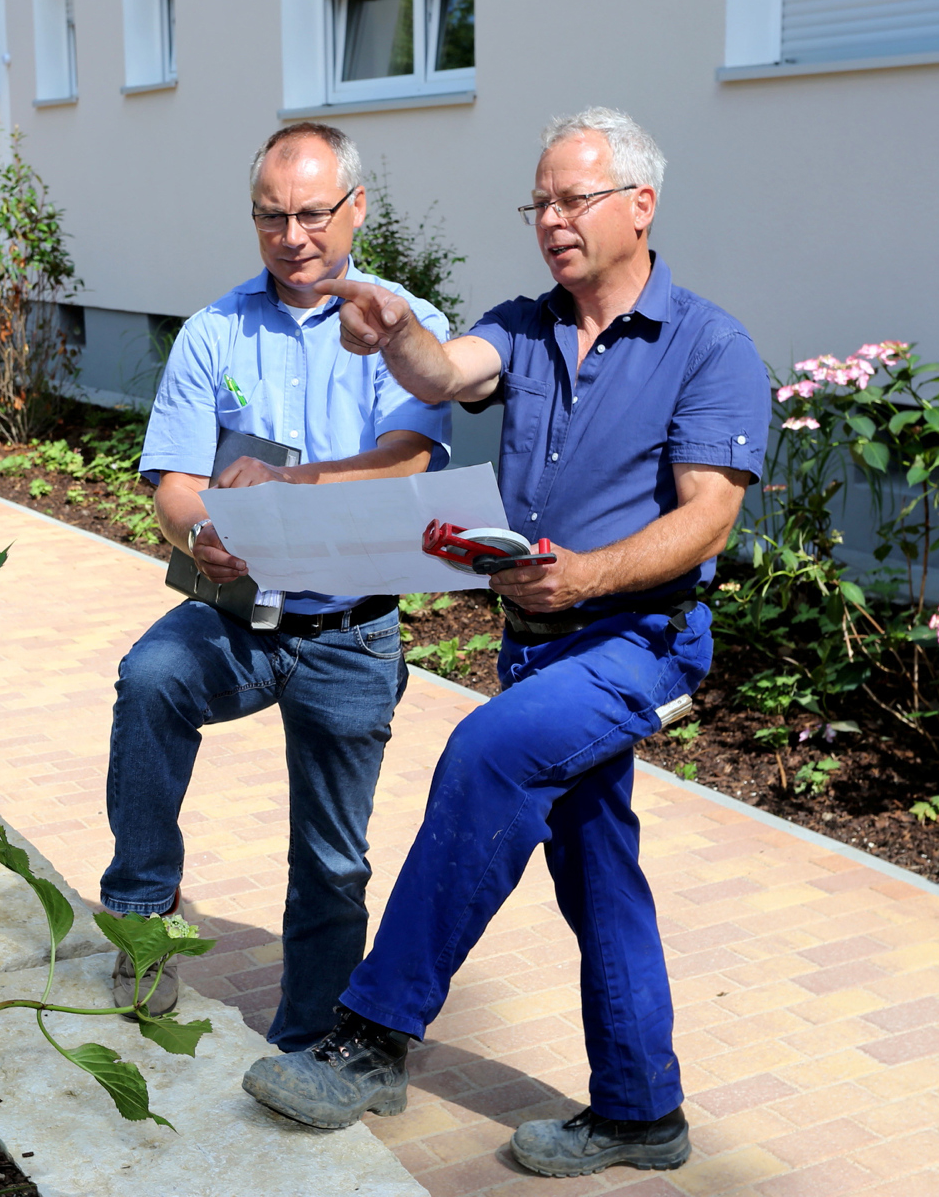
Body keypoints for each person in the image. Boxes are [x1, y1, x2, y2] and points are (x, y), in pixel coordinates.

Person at [242, 107, 770, 1178]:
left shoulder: (710, 346)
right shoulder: (525, 327)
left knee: (486, 752)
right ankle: (641, 1112)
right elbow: (445, 374)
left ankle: (373, 1036)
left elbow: (709, 519)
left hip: (639, 640)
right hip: (534, 642)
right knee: (597, 867)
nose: (552, 220)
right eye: (539, 203)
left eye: (574, 199)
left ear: (640, 205)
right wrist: (396, 328)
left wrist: (588, 573)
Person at [100, 122, 453, 1052]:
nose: (292, 236)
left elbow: (406, 460)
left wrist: (289, 486)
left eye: (312, 214)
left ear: (357, 209)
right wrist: (200, 532)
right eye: (270, 216)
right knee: (151, 678)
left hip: (353, 630)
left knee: (333, 861)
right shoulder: (214, 331)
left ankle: (307, 1041)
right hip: (240, 613)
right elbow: (174, 484)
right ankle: (143, 914)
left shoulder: (405, 327)